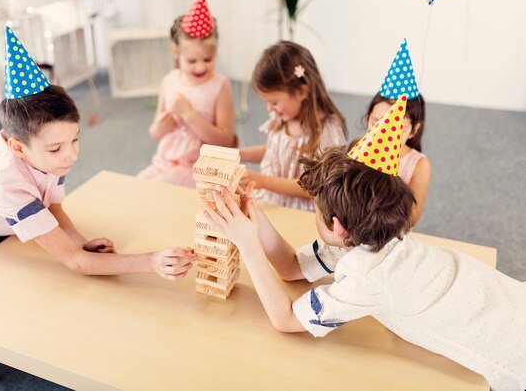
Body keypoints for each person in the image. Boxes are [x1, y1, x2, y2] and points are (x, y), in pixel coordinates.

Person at [205, 97, 526, 391]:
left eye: (316, 209)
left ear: (336, 224)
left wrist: (247, 244)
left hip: (511, 349)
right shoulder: (373, 233)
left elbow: (285, 320)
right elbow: (290, 269)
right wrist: (255, 217)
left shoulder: (367, 275)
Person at [0, 26, 196, 281]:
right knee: (4, 285)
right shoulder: (6, 185)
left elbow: (52, 208)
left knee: (38, 264)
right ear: (17, 147)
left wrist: (80, 242)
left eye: (75, 140)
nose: (71, 156)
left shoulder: (46, 158)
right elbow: (76, 263)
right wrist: (151, 262)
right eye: (56, 148)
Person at [138, 0, 236, 187]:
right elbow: (155, 132)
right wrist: (160, 127)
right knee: (136, 186)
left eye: (207, 60)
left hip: (197, 168)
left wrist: (187, 113)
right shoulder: (169, 81)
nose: (200, 67)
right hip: (163, 162)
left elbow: (226, 141)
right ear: (176, 52)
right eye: (191, 61)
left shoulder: (220, 85)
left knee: (158, 189)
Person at [239, 41, 347, 211]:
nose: (269, 109)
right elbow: (273, 151)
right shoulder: (282, 117)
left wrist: (263, 181)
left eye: (273, 102)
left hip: (302, 213)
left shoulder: (327, 131)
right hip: (271, 204)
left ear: (301, 92)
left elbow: (316, 186)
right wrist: (238, 154)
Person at [352, 39, 430, 225]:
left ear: (413, 131)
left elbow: (412, 217)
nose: (384, 134)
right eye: (377, 122)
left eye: (396, 128)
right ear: (367, 117)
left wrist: (388, 183)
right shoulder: (357, 147)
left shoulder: (419, 165)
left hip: (392, 236)